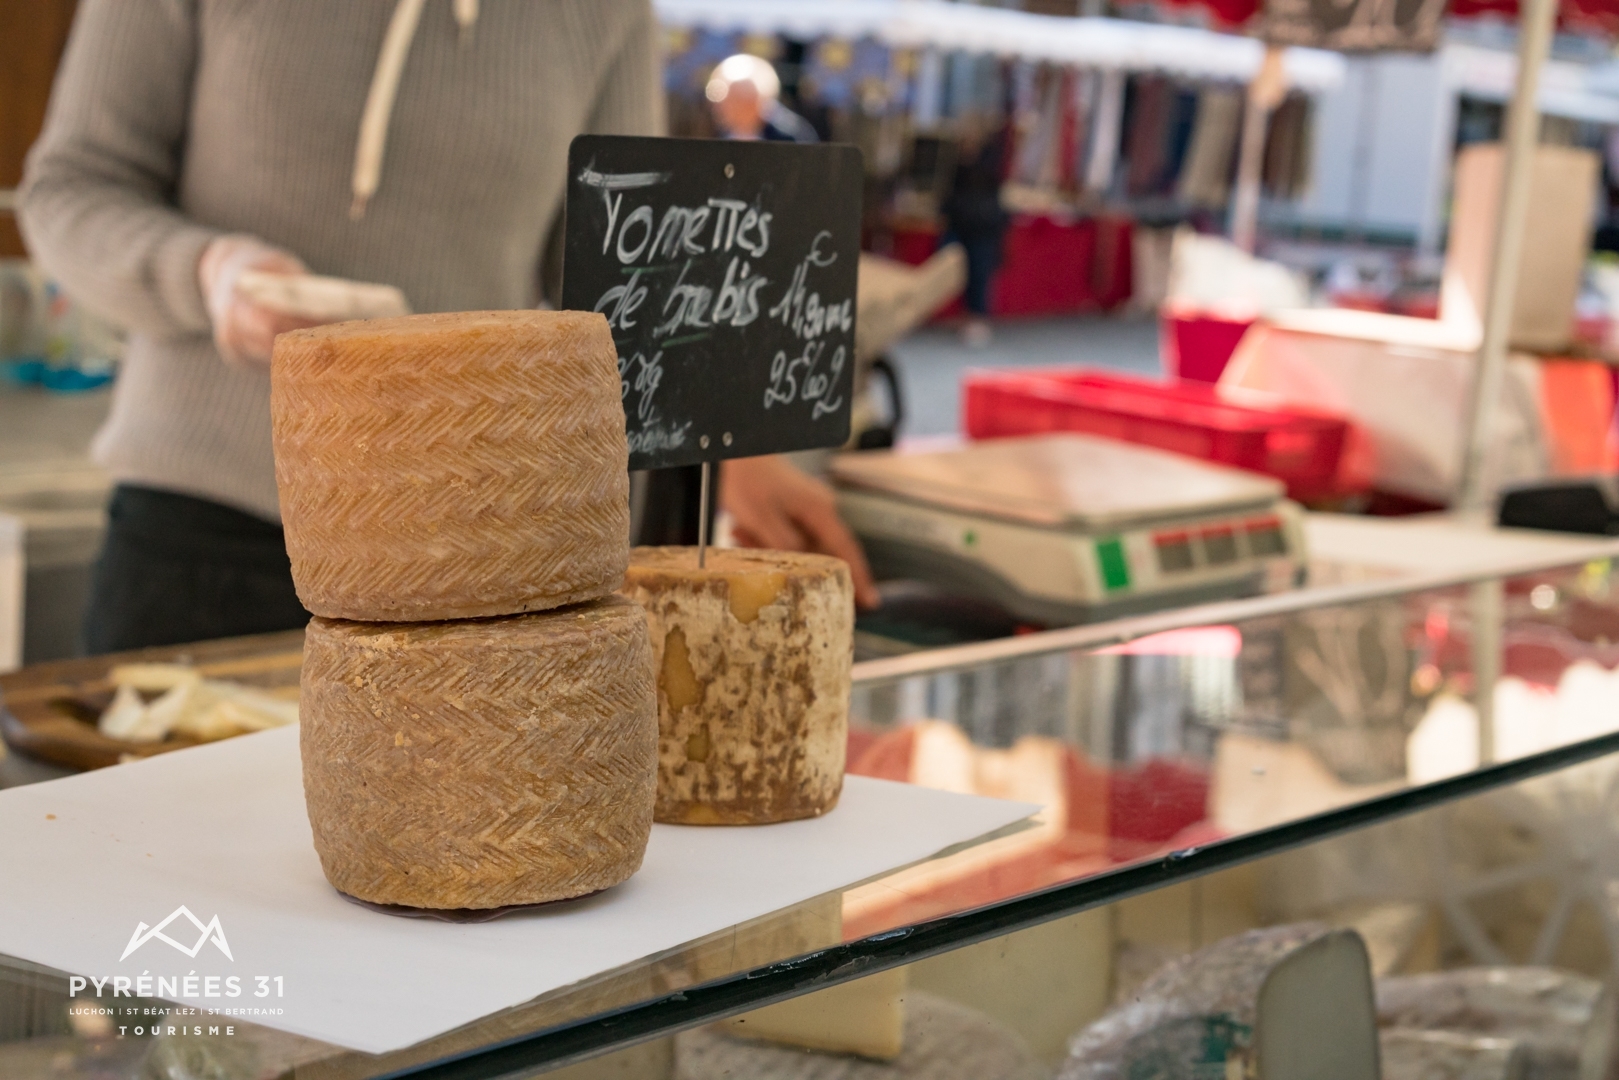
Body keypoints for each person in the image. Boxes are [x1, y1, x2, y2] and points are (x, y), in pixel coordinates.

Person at [20, 0, 876, 653]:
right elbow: (71, 186)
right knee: (171, 883)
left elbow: (624, 273)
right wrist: (205, 273)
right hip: (204, 526)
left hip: (461, 556)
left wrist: (722, 446)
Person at [705, 54, 819, 144]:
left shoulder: (789, 136)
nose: (724, 108)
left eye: (737, 101)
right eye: (727, 101)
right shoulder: (716, 133)